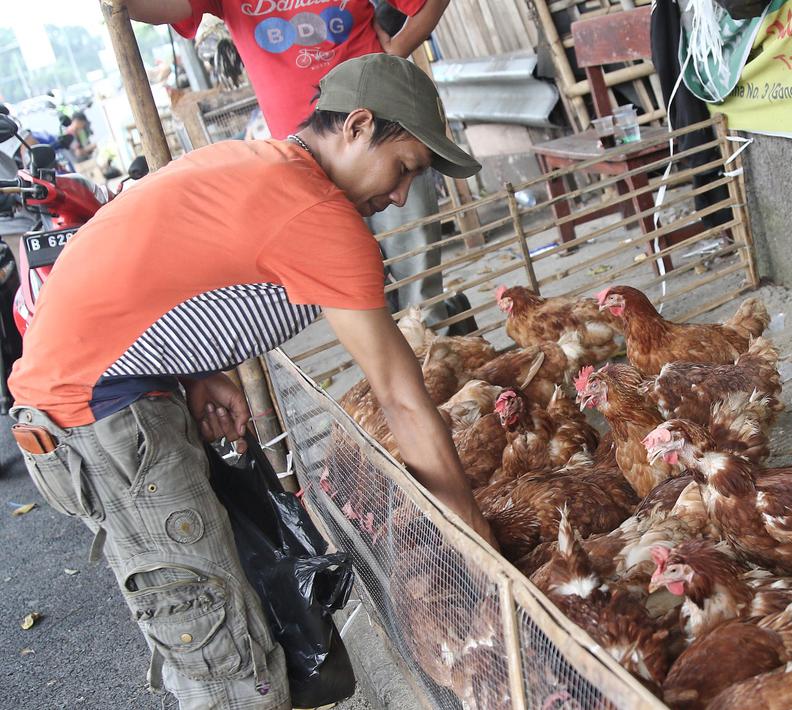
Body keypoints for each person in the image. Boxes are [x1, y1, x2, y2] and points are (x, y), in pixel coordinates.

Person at [7, 54, 493, 709]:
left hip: (102, 397)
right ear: (355, 125)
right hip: (95, 417)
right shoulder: (319, 214)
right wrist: (473, 546)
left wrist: (205, 366)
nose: (401, 195)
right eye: (403, 168)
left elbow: (169, 264)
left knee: (232, 606)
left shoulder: (252, 163)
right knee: (222, 654)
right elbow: (400, 397)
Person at [128, 0, 455, 319]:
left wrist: (396, 50)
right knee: (351, 289)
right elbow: (147, 7)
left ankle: (433, 346)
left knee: (417, 273)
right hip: (300, 162)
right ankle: (392, 358)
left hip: (380, 139)